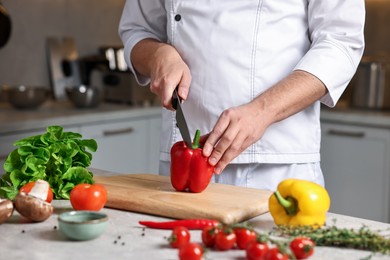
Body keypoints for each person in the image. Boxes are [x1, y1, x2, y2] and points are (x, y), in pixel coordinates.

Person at [119, 1, 365, 190]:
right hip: (184, 164)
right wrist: (157, 55)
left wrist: (263, 111)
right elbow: (136, 30)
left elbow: (341, 43)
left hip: (275, 167)